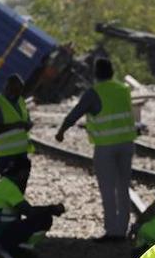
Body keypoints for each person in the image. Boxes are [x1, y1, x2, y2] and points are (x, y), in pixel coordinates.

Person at [55, 57, 137, 241]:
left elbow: (76, 113)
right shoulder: (123, 89)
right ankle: (122, 229)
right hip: (127, 143)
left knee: (108, 189)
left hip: (106, 146)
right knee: (123, 187)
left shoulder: (94, 92)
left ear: (95, 73)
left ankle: (112, 231)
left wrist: (61, 131)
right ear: (112, 72)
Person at [0, 160, 65, 257]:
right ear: (22, 173)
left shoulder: (5, 184)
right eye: (27, 173)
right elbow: (29, 212)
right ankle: (21, 248)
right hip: (1, 236)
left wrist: (49, 208)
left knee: (39, 217)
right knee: (45, 219)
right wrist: (51, 209)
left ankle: (17, 246)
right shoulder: (10, 188)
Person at [0, 73, 34, 190]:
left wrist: (27, 124)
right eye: (15, 90)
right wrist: (15, 126)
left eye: (20, 90)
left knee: (20, 186)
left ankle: (16, 206)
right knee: (10, 186)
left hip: (22, 153)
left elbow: (26, 120)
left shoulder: (20, 101)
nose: (18, 93)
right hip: (6, 155)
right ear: (8, 88)